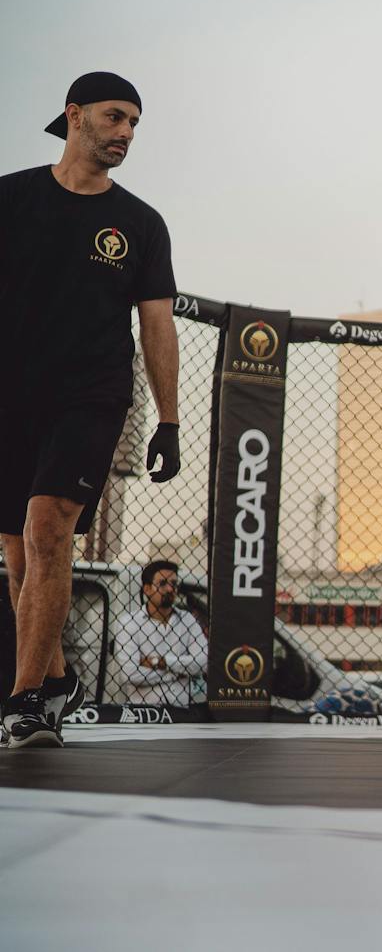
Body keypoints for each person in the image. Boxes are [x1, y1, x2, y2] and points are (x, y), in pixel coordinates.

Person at [2, 73, 181, 748]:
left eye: (134, 123)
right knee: (18, 552)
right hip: (12, 395)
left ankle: (24, 702)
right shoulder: (12, 197)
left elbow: (157, 326)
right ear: (74, 116)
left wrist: (168, 420)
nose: (126, 133)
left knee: (48, 530)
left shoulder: (139, 223)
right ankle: (55, 679)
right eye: (114, 117)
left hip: (92, 394)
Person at [111, 560, 206, 705]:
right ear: (147, 589)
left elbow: (203, 662)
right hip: (144, 713)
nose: (170, 589)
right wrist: (179, 671)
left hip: (182, 712)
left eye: (174, 584)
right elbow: (130, 674)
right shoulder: (129, 623)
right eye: (162, 583)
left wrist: (161, 662)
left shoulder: (188, 620)